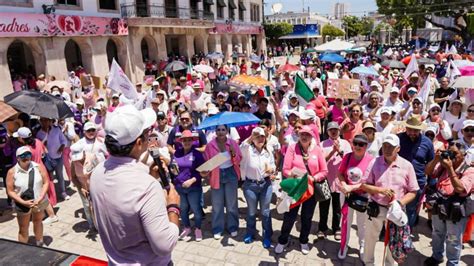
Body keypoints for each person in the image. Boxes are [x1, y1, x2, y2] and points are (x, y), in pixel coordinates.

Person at [89, 105, 180, 265]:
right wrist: (173, 207)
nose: (150, 136)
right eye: (146, 133)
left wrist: (149, 175)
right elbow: (164, 246)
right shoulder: (148, 187)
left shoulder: (96, 173)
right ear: (139, 143)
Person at [361, 134, 419, 266]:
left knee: (393, 241)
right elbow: (364, 185)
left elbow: (413, 191)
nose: (387, 149)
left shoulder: (407, 165)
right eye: (385, 146)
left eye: (391, 147)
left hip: (396, 210)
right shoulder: (374, 162)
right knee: (370, 238)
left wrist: (399, 203)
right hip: (376, 207)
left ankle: (389, 264)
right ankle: (368, 263)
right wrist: (380, 190)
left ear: (398, 148)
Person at [275, 125, 328, 255]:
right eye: (302, 134)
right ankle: (283, 240)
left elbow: (324, 171)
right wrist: (292, 174)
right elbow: (286, 169)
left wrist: (313, 178)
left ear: (312, 137)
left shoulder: (317, 150)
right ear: (299, 135)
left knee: (307, 216)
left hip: (310, 189)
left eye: (307, 135)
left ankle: (304, 240)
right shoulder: (292, 148)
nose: (304, 137)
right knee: (289, 216)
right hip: (295, 188)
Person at [424, 144, 474, 266]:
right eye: (449, 153)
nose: (451, 157)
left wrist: (450, 169)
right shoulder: (443, 166)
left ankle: (452, 263)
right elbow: (429, 172)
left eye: (455, 154)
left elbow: (460, 188)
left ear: (464, 156)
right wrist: (436, 159)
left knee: (453, 239)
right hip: (440, 204)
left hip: (456, 208)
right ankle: (436, 256)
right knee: (437, 233)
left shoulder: (469, 170)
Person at [337, 134, 374, 260]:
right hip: (346, 194)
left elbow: (370, 182)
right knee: (346, 220)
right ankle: (344, 244)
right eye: (356, 143)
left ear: (366, 146)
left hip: (362, 196)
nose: (358, 146)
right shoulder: (347, 157)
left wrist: (352, 187)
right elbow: (340, 173)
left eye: (361, 144)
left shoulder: (371, 160)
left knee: (362, 223)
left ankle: (362, 245)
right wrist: (343, 184)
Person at [202, 124, 242, 239]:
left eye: (223, 130)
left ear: (227, 131)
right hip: (217, 174)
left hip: (231, 174)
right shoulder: (210, 145)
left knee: (231, 204)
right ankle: (217, 228)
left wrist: (234, 154)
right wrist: (205, 171)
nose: (220, 132)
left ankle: (233, 226)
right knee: (217, 204)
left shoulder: (232, 143)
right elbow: (207, 161)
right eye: (218, 130)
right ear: (215, 131)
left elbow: (239, 158)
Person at [240, 127, 276, 248]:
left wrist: (272, 170)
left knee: (265, 211)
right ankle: (250, 232)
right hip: (250, 185)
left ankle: (267, 235)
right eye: (257, 136)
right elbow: (242, 147)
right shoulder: (248, 150)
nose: (260, 139)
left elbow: (273, 166)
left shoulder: (268, 151)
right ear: (253, 139)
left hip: (266, 184)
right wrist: (251, 136)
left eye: (262, 136)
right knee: (251, 211)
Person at [6, 146, 49, 246]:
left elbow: (46, 182)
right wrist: (23, 202)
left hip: (39, 201)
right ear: (17, 158)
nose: (26, 157)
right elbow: (10, 191)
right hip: (22, 204)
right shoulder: (12, 172)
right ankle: (23, 249)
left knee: (38, 221)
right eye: (23, 155)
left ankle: (40, 243)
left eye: (28, 154)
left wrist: (41, 197)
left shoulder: (38, 167)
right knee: (23, 228)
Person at [398, 115, 434, 229]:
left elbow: (430, 163)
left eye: (416, 130)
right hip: (398, 180)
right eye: (410, 129)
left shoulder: (427, 143)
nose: (412, 133)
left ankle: (406, 233)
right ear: (406, 128)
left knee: (411, 208)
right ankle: (392, 231)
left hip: (418, 182)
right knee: (395, 206)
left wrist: (431, 183)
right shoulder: (397, 139)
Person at [70, 122, 107, 232]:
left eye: (93, 130)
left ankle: (101, 224)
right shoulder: (79, 145)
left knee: (99, 204)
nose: (91, 132)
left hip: (97, 179)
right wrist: (81, 187)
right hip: (83, 184)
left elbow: (106, 156)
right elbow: (73, 176)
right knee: (87, 205)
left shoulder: (101, 142)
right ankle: (92, 225)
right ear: (84, 132)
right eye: (88, 131)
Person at [319, 122, 352, 241]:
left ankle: (336, 228)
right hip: (326, 180)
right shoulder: (322, 144)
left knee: (338, 207)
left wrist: (339, 151)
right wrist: (332, 151)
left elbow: (348, 161)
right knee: (324, 205)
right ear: (327, 131)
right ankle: (322, 228)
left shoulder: (345, 143)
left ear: (339, 131)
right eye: (331, 130)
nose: (333, 132)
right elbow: (321, 161)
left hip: (339, 180)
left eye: (336, 129)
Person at [173, 130, 205, 242]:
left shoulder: (197, 154)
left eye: (188, 140)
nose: (186, 142)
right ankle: (187, 227)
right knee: (183, 209)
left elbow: (202, 172)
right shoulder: (176, 153)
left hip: (194, 187)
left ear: (192, 141)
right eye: (184, 140)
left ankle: (198, 228)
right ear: (181, 141)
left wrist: (191, 180)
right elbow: (172, 168)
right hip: (179, 187)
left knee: (196, 209)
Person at [36, 117, 69, 200]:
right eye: (43, 120)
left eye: (47, 120)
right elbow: (39, 147)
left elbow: (64, 140)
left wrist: (62, 146)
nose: (45, 122)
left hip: (58, 157)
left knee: (60, 176)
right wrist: (44, 142)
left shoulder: (57, 130)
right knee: (49, 178)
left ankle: (63, 192)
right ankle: (52, 195)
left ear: (51, 121)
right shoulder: (39, 133)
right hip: (47, 160)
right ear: (40, 122)